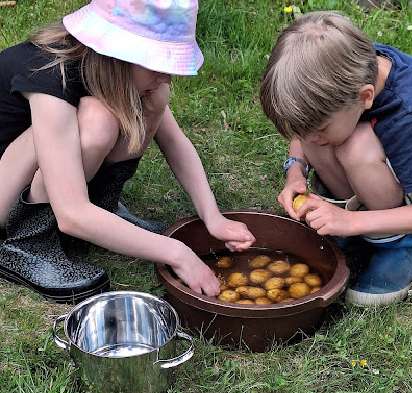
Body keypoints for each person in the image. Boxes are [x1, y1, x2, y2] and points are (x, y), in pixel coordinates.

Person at [0, 0, 255, 303]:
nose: (169, 76)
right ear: (119, 54)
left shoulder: (114, 72)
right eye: (159, 64)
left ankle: (103, 209)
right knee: (99, 121)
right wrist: (177, 253)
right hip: (7, 194)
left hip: (50, 177)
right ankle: (29, 241)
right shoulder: (49, 77)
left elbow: (176, 143)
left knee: (153, 97)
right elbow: (71, 214)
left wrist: (212, 216)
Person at [260, 11, 412, 306]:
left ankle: (400, 245)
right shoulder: (346, 71)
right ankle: (354, 224)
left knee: (356, 146)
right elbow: (306, 129)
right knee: (328, 139)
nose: (308, 138)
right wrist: (295, 170)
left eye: (317, 128)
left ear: (366, 96)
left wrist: (350, 221)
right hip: (392, 168)